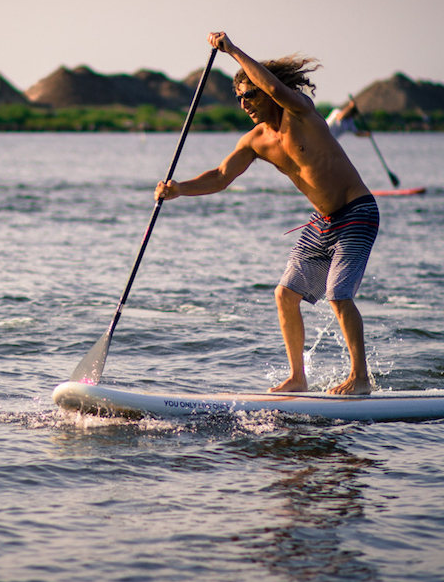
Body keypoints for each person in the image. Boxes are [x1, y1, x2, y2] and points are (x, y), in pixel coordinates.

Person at [154, 32, 379, 395]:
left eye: (249, 95)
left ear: (266, 90)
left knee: (338, 295)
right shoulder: (256, 140)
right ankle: (297, 378)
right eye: (239, 99)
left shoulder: (300, 112)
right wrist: (179, 188)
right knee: (284, 294)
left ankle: (360, 378)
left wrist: (233, 51)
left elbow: (274, 87)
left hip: (357, 212)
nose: (244, 104)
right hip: (323, 221)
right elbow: (221, 176)